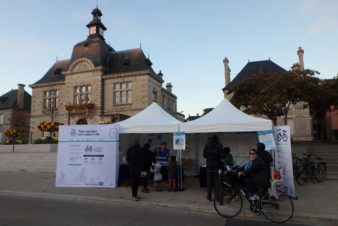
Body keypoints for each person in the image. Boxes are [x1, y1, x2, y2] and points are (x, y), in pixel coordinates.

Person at [203, 135, 223, 201]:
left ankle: (209, 196)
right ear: (217, 139)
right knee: (217, 183)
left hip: (209, 166)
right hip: (217, 166)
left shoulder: (207, 145)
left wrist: (209, 158)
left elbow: (204, 155)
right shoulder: (220, 145)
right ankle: (217, 197)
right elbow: (222, 155)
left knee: (209, 183)